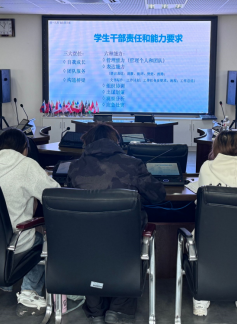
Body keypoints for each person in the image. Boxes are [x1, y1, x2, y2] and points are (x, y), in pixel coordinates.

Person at [67, 123, 166, 324]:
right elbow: (158, 195)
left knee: (89, 250)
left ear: (88, 142)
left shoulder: (75, 167)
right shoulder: (133, 164)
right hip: (125, 239)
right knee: (137, 247)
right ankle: (119, 310)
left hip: (85, 240)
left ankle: (96, 311)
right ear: (117, 142)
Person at [0, 129, 60, 317]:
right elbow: (54, 194)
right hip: (16, 240)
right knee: (41, 240)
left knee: (6, 241)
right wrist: (43, 176)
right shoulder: (27, 165)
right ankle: (29, 291)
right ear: (25, 148)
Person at [189, 131, 237, 320]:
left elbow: (200, 200)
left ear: (216, 148)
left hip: (211, 238)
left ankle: (202, 297)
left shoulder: (207, 167)